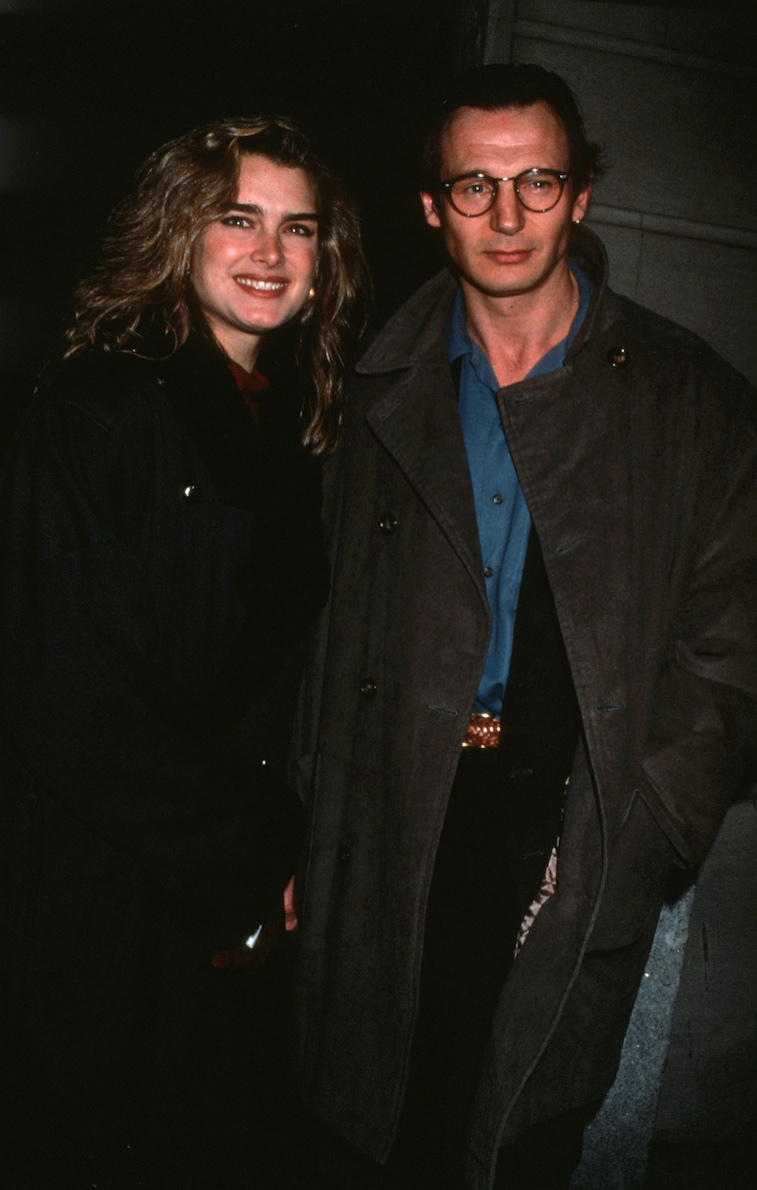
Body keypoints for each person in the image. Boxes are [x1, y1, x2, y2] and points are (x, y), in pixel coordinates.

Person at [289, 64, 757, 1190]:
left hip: (564, 827)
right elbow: (311, 629)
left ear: (581, 196)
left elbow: (743, 654)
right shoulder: (368, 390)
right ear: (430, 206)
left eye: (536, 181)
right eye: (474, 184)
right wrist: (305, 818)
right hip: (386, 817)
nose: (507, 215)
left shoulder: (695, 405)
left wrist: (646, 823)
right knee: (368, 1130)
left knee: (516, 1137)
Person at [0, 115, 367, 1188]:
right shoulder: (99, 408)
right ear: (179, 232)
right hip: (102, 878)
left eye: (298, 229)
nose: (269, 253)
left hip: (225, 892)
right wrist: (248, 849)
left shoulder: (301, 427)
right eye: (236, 218)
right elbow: (67, 688)